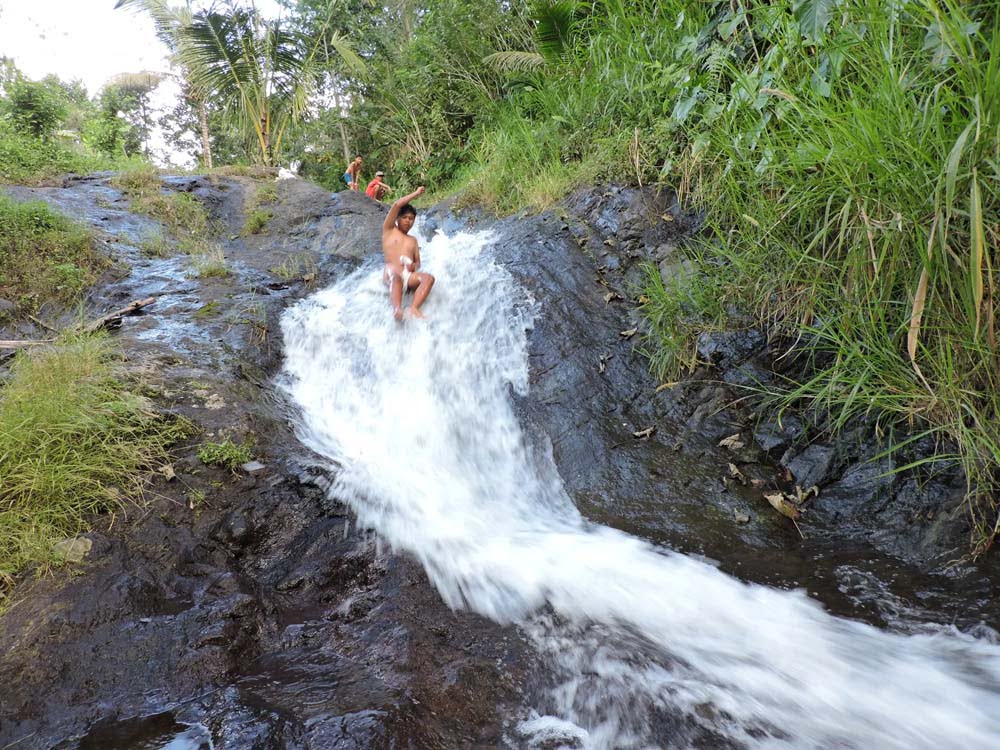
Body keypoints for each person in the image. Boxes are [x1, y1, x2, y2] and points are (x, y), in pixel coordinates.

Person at [382, 186, 433, 320]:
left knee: (428, 278)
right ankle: (397, 309)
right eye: (404, 217)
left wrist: (413, 266)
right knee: (396, 277)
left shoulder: (413, 240)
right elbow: (397, 205)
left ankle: (414, 308)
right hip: (392, 272)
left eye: (411, 218)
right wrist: (416, 193)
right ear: (397, 218)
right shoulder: (389, 230)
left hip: (408, 275)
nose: (408, 221)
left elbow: (418, 262)